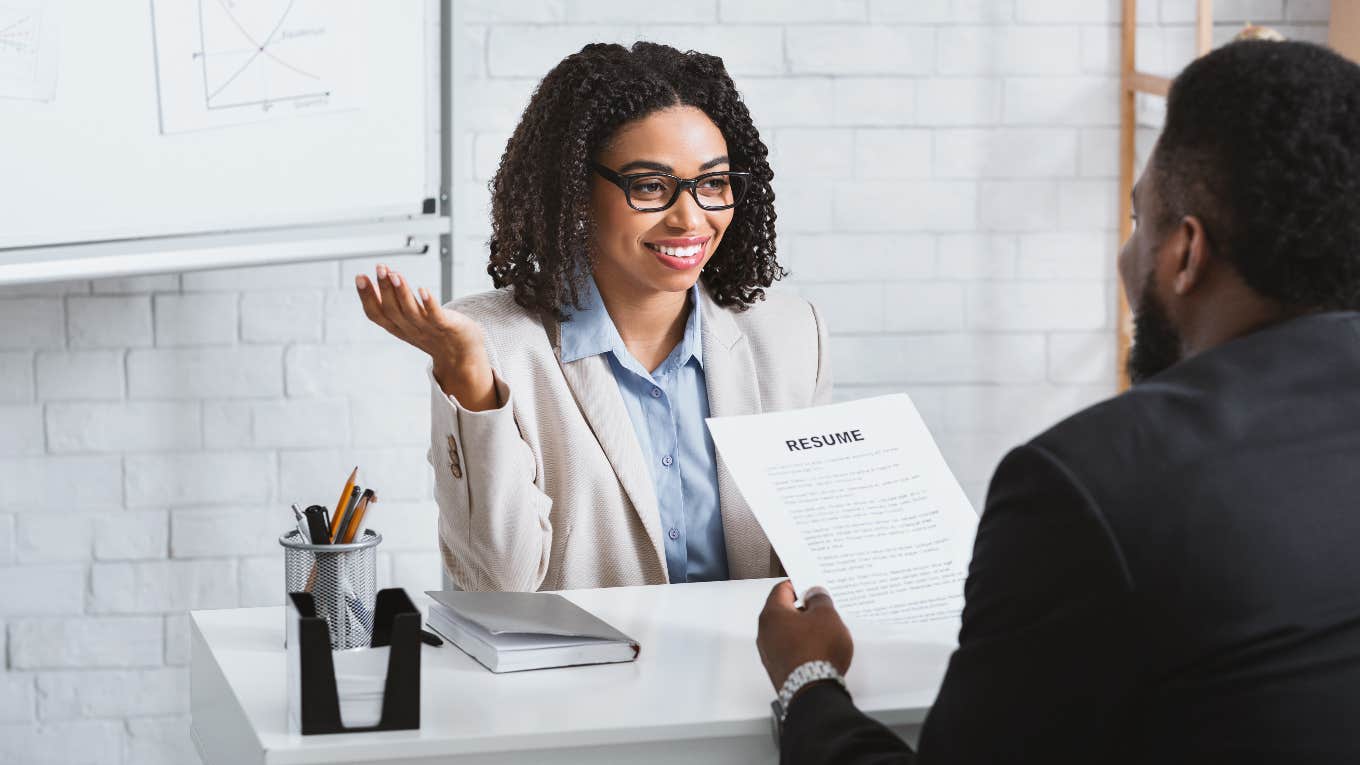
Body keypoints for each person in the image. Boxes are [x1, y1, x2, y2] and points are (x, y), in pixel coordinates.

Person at [755, 40, 1360, 764]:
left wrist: (808, 678)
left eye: (1142, 223)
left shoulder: (1086, 486)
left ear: (1186, 254)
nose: (1128, 257)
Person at [355, 42, 830, 592]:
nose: (690, 217)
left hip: (754, 668)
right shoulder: (495, 347)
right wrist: (467, 377)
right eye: (650, 186)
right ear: (575, 191)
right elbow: (499, 587)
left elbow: (816, 558)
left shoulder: (793, 335)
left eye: (713, 183)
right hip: (585, 676)